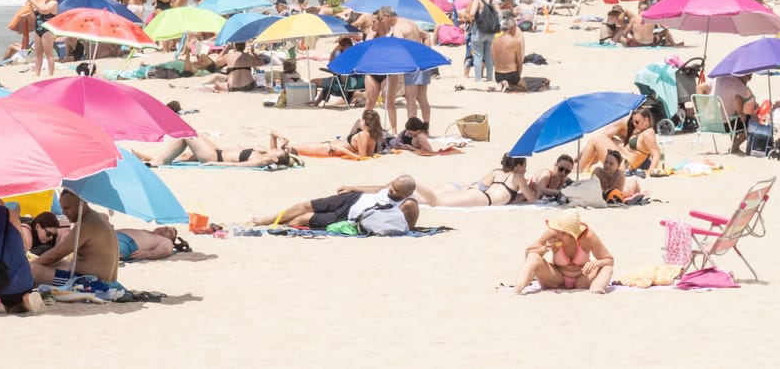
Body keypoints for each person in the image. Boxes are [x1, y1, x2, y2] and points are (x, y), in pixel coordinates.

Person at [254, 175, 419, 229]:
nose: (391, 190)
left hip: (350, 215)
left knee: (305, 218)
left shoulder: (409, 203)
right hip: (353, 199)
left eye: (396, 190)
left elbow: (407, 227)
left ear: (406, 193)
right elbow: (377, 188)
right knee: (304, 205)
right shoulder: (391, 187)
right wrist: (351, 188)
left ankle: (278, 226)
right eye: (392, 186)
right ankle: (265, 220)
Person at [513, 208, 614, 295]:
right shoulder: (553, 233)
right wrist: (545, 248)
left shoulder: (588, 236)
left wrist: (596, 263)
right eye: (558, 231)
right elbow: (529, 252)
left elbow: (609, 260)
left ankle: (595, 292)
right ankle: (517, 291)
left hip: (582, 280)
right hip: (556, 279)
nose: (558, 235)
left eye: (563, 233)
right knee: (533, 257)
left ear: (573, 235)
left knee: (607, 268)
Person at [32, 190, 119, 286]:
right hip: (104, 281)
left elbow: (54, 255)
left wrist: (27, 267)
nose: (64, 213)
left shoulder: (86, 225)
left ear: (81, 203)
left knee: (34, 271)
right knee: (61, 264)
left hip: (90, 284)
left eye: (67, 208)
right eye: (62, 208)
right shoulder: (96, 218)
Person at [416, 153, 538, 207]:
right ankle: (413, 182)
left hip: (478, 194)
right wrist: (536, 191)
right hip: (483, 199)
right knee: (436, 202)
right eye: (524, 166)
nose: (525, 169)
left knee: (433, 200)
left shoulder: (497, 172)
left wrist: (522, 196)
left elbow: (507, 199)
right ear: (517, 166)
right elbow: (533, 200)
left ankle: (410, 194)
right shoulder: (518, 177)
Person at [134, 132, 298, 168]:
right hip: (218, 151)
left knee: (187, 134)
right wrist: (282, 137)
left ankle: (160, 161)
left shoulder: (261, 160)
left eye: (278, 151)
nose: (275, 149)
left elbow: (237, 166)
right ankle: (150, 157)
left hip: (215, 157)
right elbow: (271, 133)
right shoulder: (268, 154)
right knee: (187, 154)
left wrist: (213, 163)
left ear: (275, 159)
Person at [283, 109, 384, 159]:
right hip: (332, 146)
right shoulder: (373, 135)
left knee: (293, 149)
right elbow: (370, 155)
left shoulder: (363, 135)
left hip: (332, 149)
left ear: (365, 121)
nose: (360, 121)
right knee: (296, 148)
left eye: (362, 119)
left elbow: (362, 157)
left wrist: (343, 150)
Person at [364, 6, 403, 131]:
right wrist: (372, 34)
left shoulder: (392, 33)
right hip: (372, 72)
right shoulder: (372, 35)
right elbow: (366, 48)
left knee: (389, 102)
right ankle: (366, 127)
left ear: (381, 21)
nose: (372, 24)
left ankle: (394, 129)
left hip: (389, 72)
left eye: (374, 21)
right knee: (370, 102)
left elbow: (399, 47)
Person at [701, 73, 756, 152]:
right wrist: (741, 113)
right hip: (725, 126)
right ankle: (735, 145)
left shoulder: (716, 79)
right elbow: (737, 98)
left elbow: (699, 88)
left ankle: (735, 145)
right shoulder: (739, 85)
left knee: (732, 115)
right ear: (742, 75)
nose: (750, 79)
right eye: (749, 76)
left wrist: (702, 110)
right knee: (751, 123)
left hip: (708, 123)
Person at [465, 0, 498, 82]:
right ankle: (489, 77)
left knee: (478, 55)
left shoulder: (477, 0)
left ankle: (478, 78)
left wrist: (471, 19)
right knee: (488, 55)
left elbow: (472, 13)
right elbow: (499, 13)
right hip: (491, 31)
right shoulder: (492, 1)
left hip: (479, 30)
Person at [27, 0, 59, 76]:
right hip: (38, 29)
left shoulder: (54, 3)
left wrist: (33, 1)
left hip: (47, 30)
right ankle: (37, 73)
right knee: (38, 53)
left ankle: (50, 74)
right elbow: (34, 16)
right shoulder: (41, 2)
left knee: (49, 54)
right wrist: (30, 5)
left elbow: (43, 11)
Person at [491, 14, 526, 91]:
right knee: (524, 87)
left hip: (498, 75)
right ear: (512, 28)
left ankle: (502, 83)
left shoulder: (494, 41)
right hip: (511, 74)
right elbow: (519, 62)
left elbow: (493, 60)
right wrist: (518, 77)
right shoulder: (515, 42)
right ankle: (509, 85)